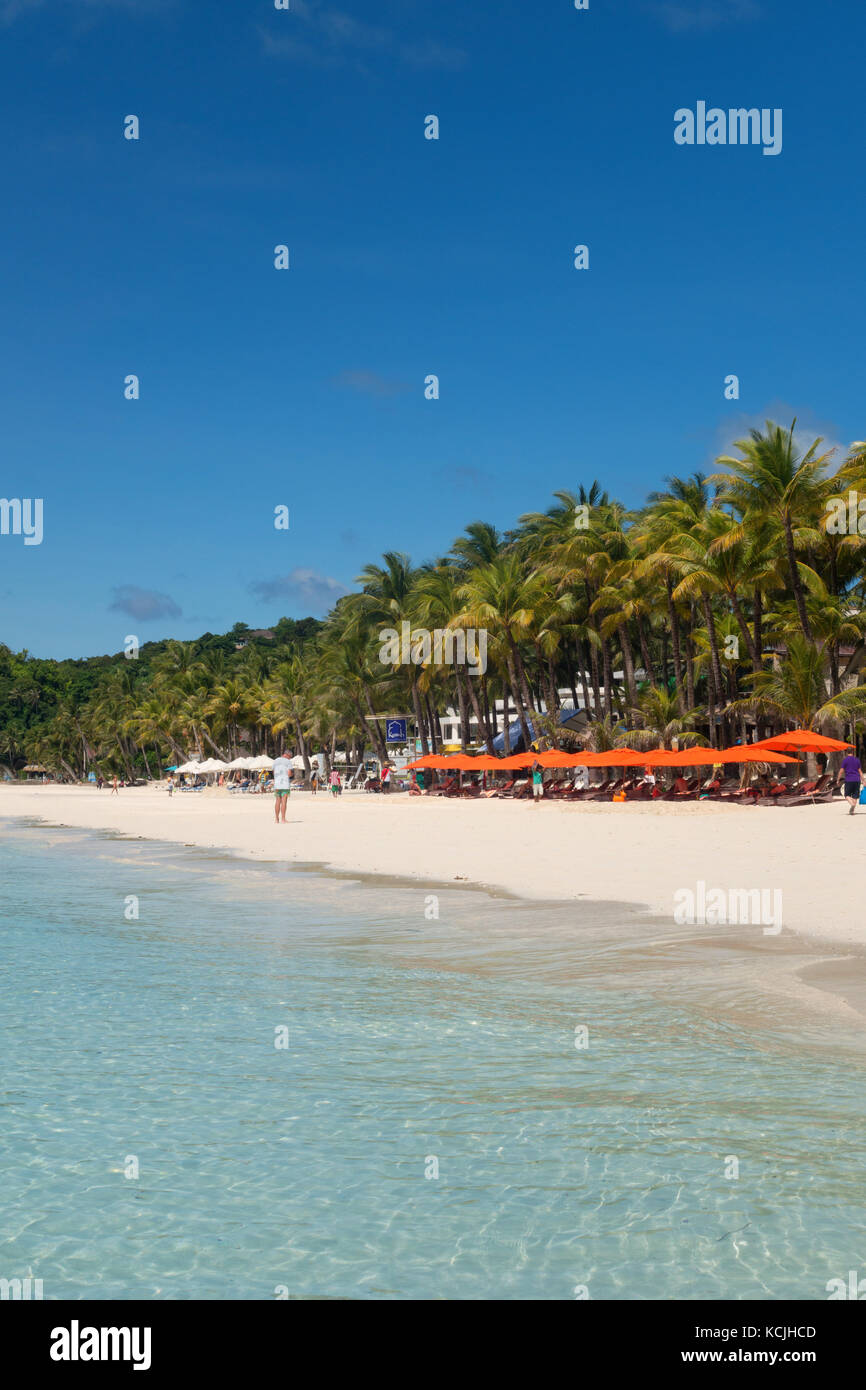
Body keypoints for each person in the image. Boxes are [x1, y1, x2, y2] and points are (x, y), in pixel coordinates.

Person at [838, 750, 864, 816]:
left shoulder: (845, 760)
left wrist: (838, 779)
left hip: (849, 780)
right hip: (857, 780)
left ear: (847, 753)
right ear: (853, 753)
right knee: (855, 796)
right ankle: (852, 811)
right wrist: (864, 781)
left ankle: (852, 804)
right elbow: (860, 771)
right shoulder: (857, 760)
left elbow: (841, 771)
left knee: (847, 795)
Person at [272, 751, 291, 823]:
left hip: (277, 784)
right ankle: (283, 819)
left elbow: (273, 772)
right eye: (290, 757)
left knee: (277, 801)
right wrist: (289, 774)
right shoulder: (288, 762)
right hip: (285, 784)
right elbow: (289, 773)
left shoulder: (276, 760)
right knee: (284, 801)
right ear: (287, 755)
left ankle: (277, 819)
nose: (289, 759)